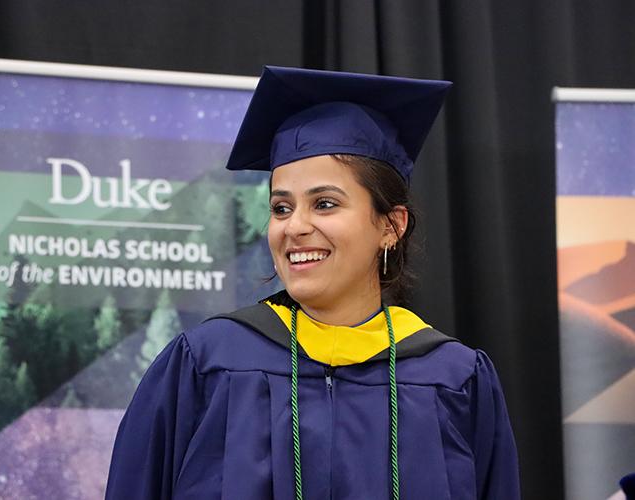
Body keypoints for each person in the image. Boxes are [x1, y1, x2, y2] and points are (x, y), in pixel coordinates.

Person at [105, 66, 520, 500]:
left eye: (324, 204)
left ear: (391, 226)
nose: (295, 227)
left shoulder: (454, 380)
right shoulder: (206, 366)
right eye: (281, 208)